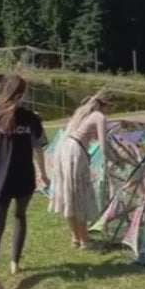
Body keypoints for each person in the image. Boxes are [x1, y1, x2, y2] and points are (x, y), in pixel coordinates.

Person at [0, 75, 47, 289]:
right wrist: (43, 174)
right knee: (20, 216)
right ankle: (14, 263)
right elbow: (39, 148)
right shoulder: (30, 118)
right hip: (24, 177)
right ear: (23, 94)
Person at [48, 90, 115, 249]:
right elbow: (103, 146)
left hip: (66, 150)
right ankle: (84, 240)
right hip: (76, 152)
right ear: (108, 104)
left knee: (70, 194)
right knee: (79, 195)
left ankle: (75, 238)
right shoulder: (99, 116)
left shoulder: (86, 114)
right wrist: (117, 160)